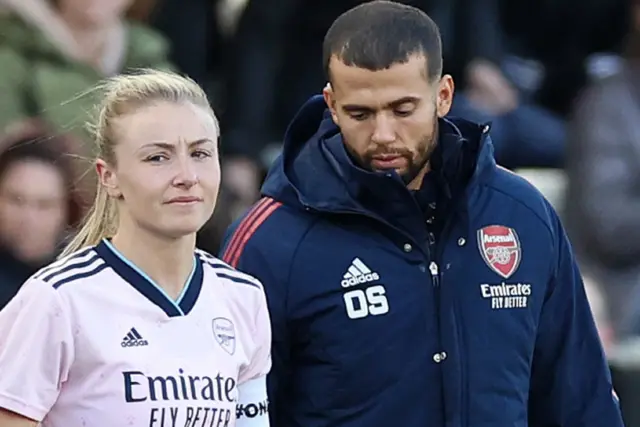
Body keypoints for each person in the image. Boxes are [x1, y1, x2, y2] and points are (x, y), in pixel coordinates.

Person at [219, 1, 623, 426]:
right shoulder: (272, 240)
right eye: (360, 113)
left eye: (403, 109)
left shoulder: (523, 215)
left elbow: (581, 402)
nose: (383, 134)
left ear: (444, 95)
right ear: (331, 104)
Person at [0, 69, 271, 427]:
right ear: (108, 176)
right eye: (158, 157)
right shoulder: (56, 301)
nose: (187, 175)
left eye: (200, 153)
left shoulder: (244, 297)